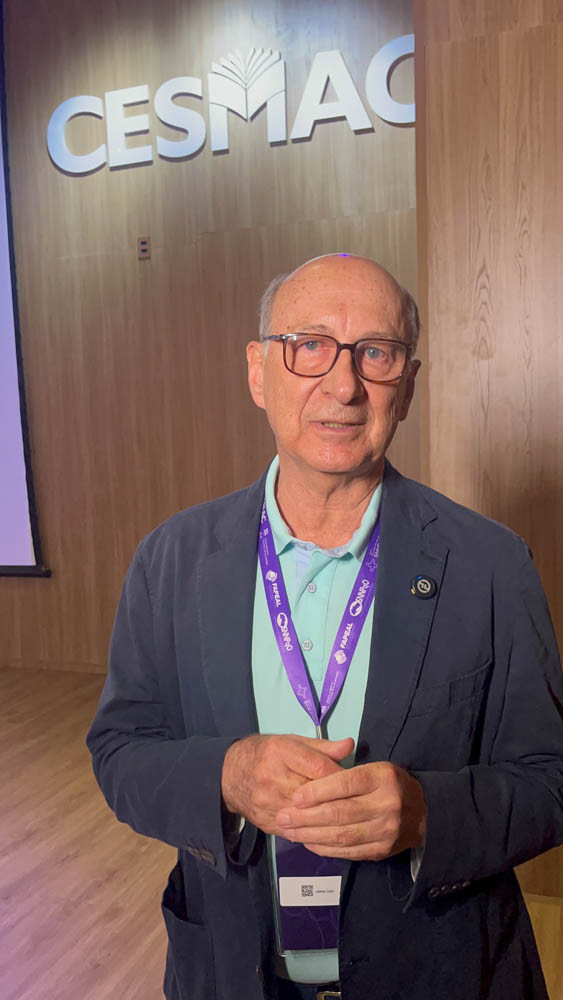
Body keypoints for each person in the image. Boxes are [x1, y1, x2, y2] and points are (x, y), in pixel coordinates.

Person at [87, 254, 563, 1000]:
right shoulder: (171, 560)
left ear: (407, 385)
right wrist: (224, 776)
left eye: (376, 353)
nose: (343, 385)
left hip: (439, 975)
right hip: (233, 975)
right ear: (258, 372)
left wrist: (427, 814)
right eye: (308, 345)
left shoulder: (491, 564)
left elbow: (549, 780)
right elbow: (121, 752)